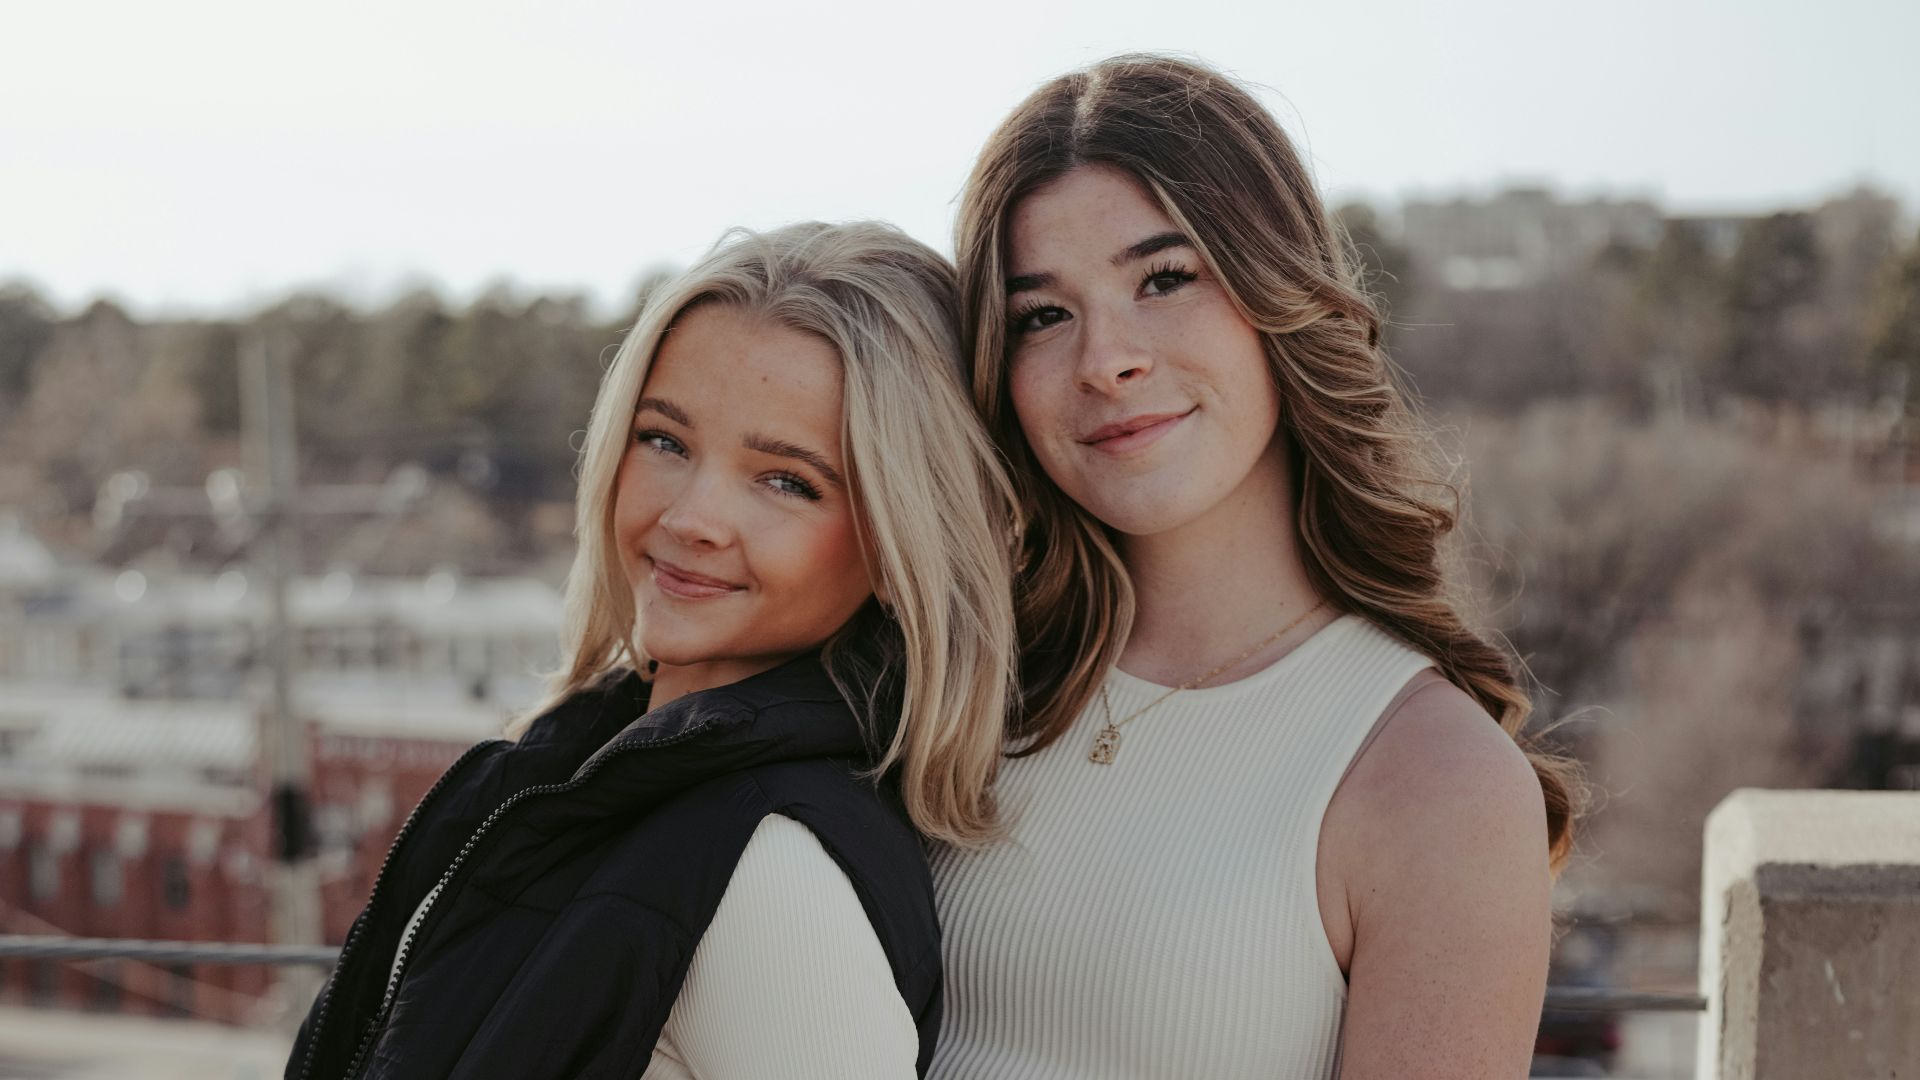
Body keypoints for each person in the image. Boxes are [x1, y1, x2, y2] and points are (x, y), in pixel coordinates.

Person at [929, 55, 1581, 1079]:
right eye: (1041, 315)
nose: (1106, 359)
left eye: (1166, 278)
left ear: (1275, 289)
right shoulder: (950, 686)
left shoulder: (1434, 783)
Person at [285, 221, 1019, 1080]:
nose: (689, 518)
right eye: (665, 440)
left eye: (787, 481)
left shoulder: (770, 874)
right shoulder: (567, 777)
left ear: (903, 547)